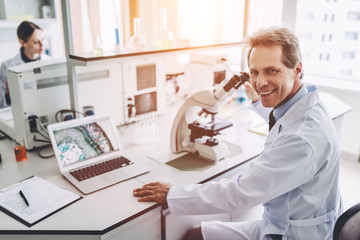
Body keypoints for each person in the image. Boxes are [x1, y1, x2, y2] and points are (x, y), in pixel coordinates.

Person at [133, 27, 343, 240]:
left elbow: (241, 192)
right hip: (281, 222)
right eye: (254, 72)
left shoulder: (302, 137)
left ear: (297, 69)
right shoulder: (305, 105)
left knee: (193, 236)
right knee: (196, 235)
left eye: (271, 70)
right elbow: (284, 123)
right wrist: (257, 102)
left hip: (292, 234)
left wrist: (172, 194)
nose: (260, 82)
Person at [0, 21, 49, 108]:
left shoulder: (50, 62)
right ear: (23, 42)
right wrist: (8, 96)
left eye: (43, 40)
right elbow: (1, 104)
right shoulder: (7, 67)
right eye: (36, 42)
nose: (42, 45)